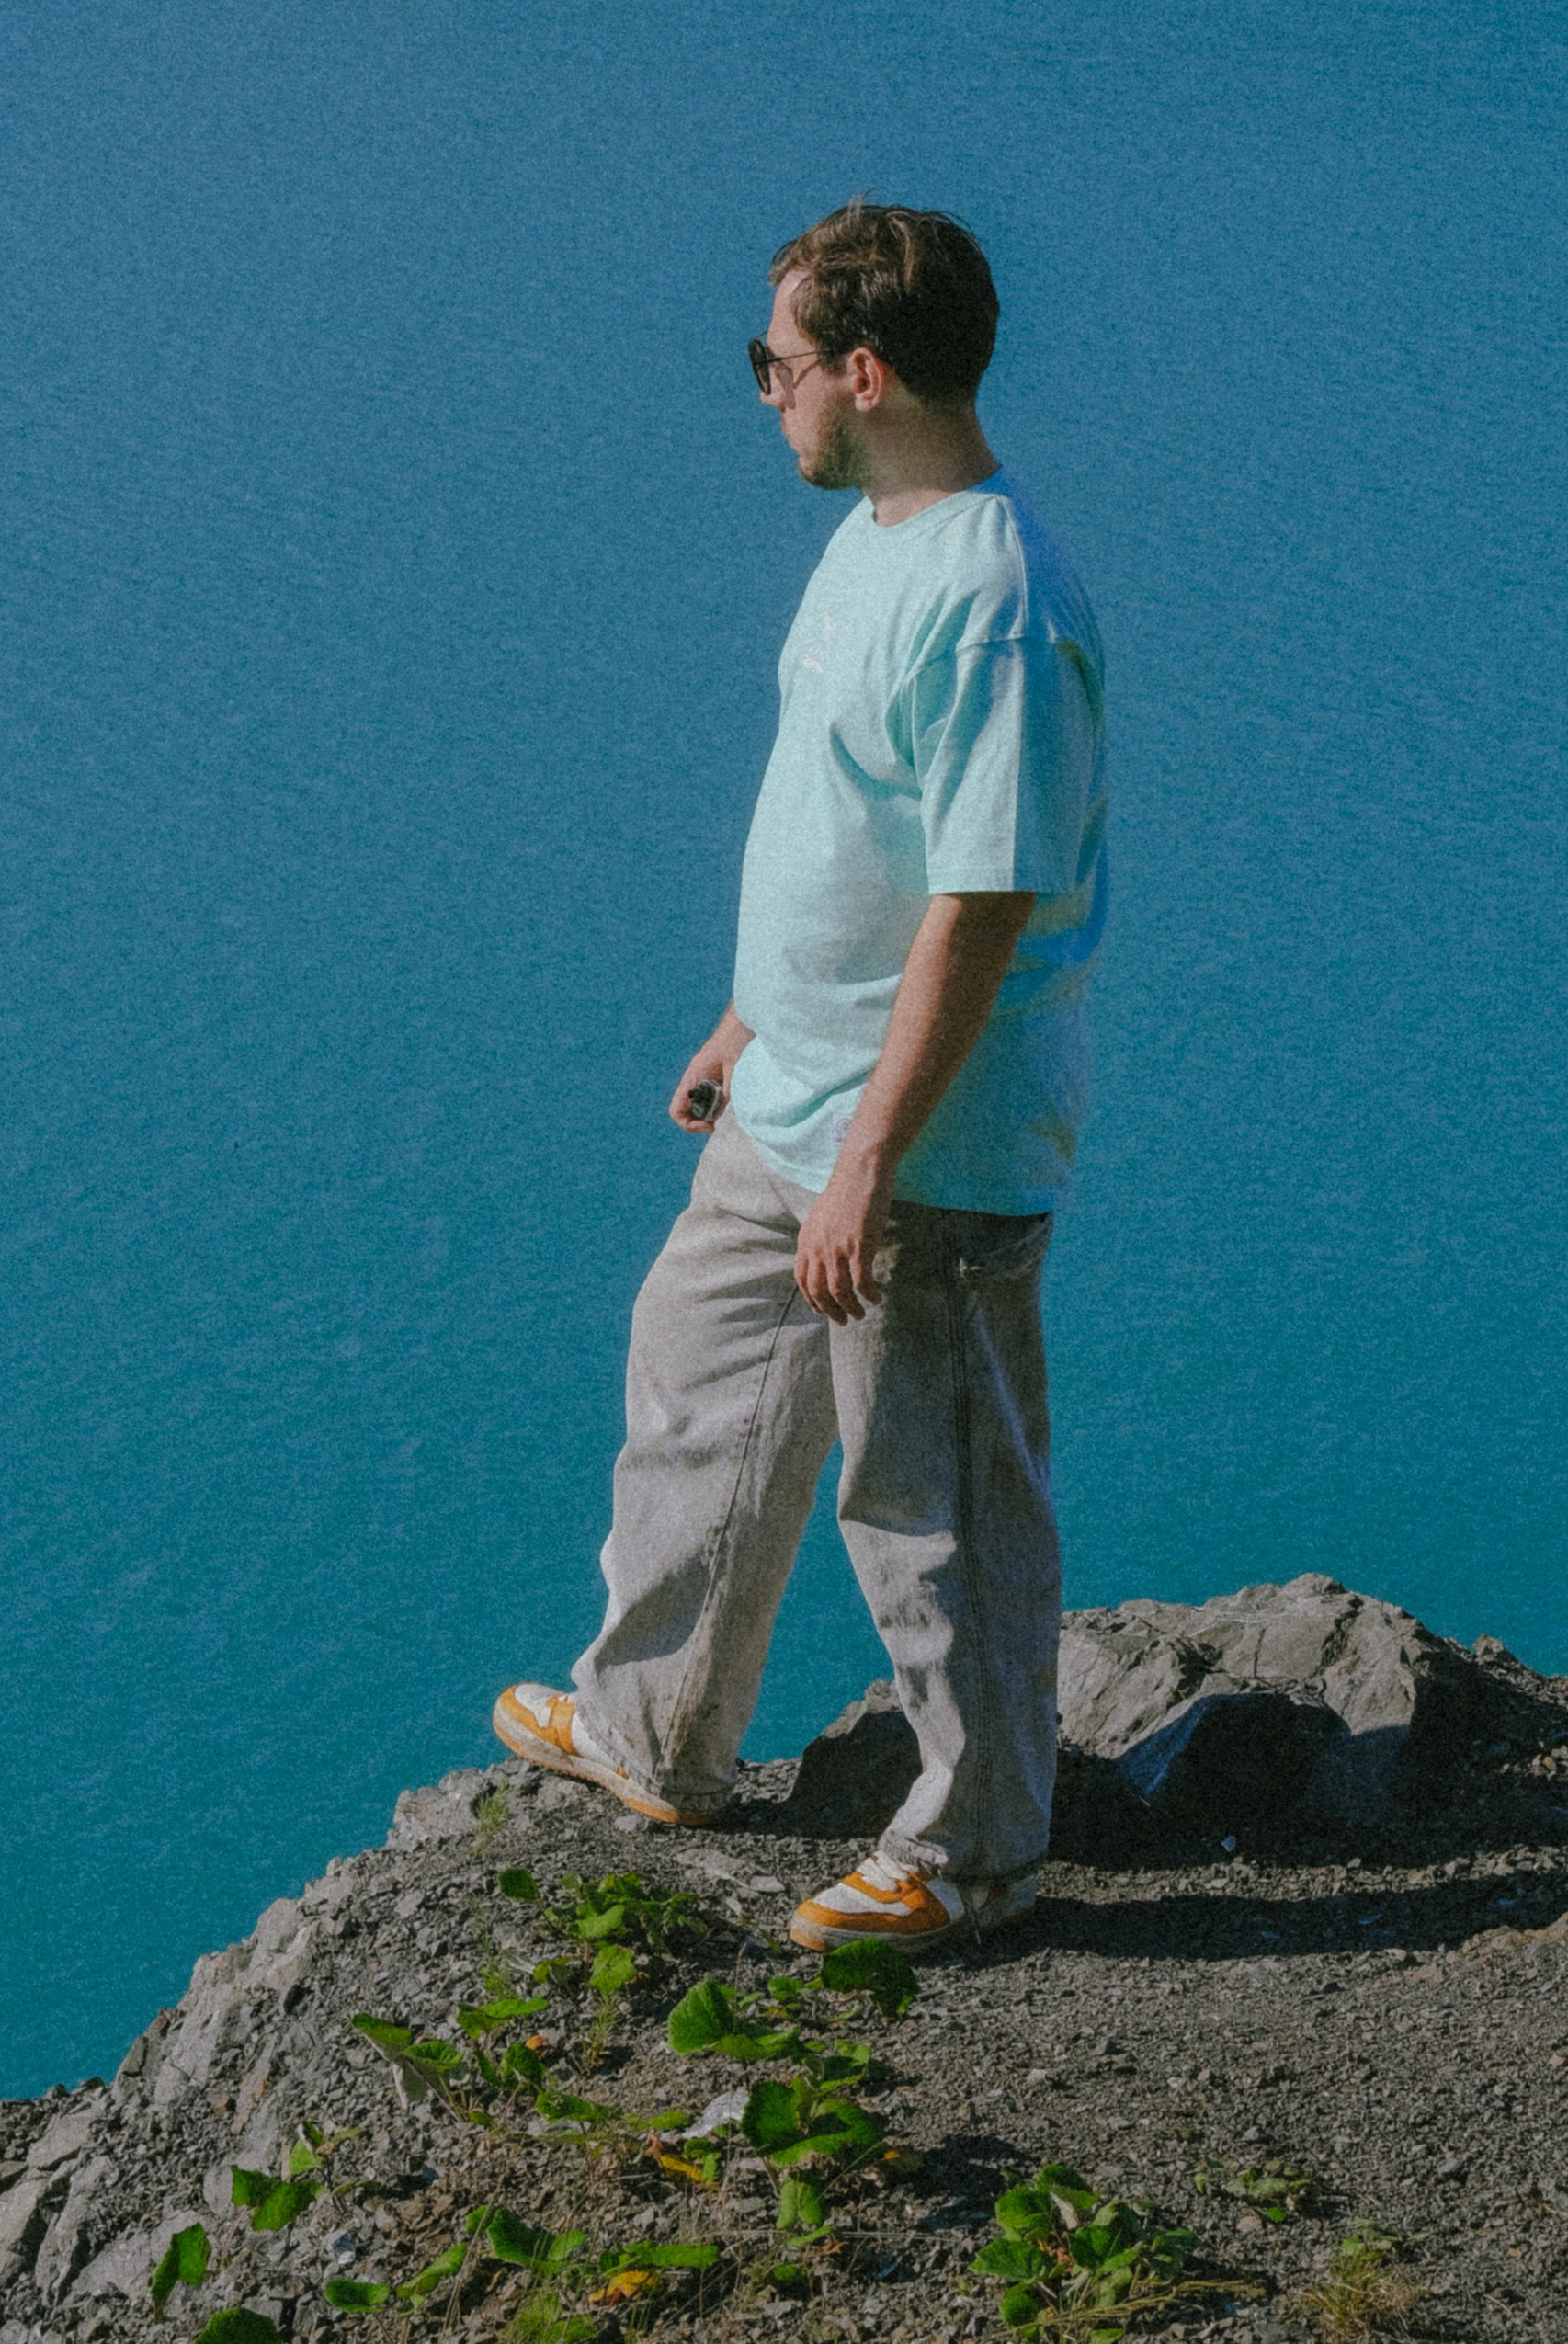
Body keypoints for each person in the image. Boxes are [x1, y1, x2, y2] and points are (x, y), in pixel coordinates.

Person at [494, 203, 1108, 1956]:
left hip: (924, 1138)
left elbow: (979, 907)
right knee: (696, 1385)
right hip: (802, 1089)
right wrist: (753, 1019)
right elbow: (852, 832)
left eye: (774, 364)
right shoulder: (879, 536)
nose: (763, 397)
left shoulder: (994, 601)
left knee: (931, 1492)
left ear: (864, 367)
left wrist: (864, 1164)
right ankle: (654, 1731)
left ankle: (977, 1846)